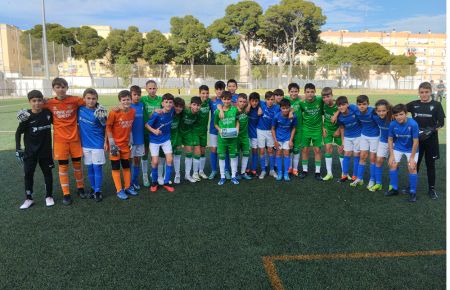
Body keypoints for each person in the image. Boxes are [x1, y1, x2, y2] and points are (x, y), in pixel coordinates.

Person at [406, 81, 445, 199]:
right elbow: (399, 111)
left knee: (430, 165)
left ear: (430, 92)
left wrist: (430, 131)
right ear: (419, 92)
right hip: (416, 140)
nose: (424, 94)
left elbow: (441, 123)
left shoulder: (437, 105)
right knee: (414, 163)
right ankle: (411, 186)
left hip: (431, 140)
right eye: (422, 92)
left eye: (426, 92)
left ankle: (431, 189)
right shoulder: (413, 104)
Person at [15, 90, 54, 209]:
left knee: (47, 174)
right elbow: (18, 133)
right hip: (30, 153)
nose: (37, 103)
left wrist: (49, 100)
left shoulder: (48, 113)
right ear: (29, 102)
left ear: (43, 101)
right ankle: (28, 198)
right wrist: (18, 148)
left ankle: (49, 196)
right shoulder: (26, 116)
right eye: (34, 101)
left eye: (39, 100)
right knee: (28, 174)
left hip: (45, 152)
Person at [106, 90, 137, 200]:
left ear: (131, 100)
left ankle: (128, 187)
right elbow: (108, 127)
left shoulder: (133, 111)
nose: (126, 101)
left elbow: (130, 127)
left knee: (126, 166)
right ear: (120, 101)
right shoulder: (114, 112)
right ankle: (119, 190)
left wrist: (130, 139)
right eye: (124, 100)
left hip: (125, 145)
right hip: (115, 145)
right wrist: (111, 143)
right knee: (115, 167)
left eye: (128, 99)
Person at [385, 104, 419, 202]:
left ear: (406, 114)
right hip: (398, 147)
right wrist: (391, 155)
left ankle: (413, 192)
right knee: (392, 164)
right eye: (396, 115)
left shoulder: (413, 124)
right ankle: (394, 189)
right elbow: (390, 139)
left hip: (411, 149)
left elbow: (416, 141)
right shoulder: (392, 124)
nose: (398, 117)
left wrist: (412, 158)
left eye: (401, 114)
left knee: (412, 167)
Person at [78, 88, 106, 202]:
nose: (91, 101)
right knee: (89, 168)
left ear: (97, 99)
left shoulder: (100, 111)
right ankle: (93, 188)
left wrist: (106, 142)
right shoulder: (79, 109)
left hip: (97, 144)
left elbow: (106, 127)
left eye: (93, 99)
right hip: (85, 144)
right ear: (84, 99)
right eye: (88, 98)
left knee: (97, 167)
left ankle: (98, 191)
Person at [145, 93, 176, 192]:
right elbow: (146, 125)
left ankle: (166, 182)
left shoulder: (172, 110)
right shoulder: (157, 114)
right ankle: (154, 182)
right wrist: (154, 131)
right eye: (166, 102)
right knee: (155, 161)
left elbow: (182, 105)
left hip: (166, 139)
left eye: (170, 102)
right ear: (162, 103)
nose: (168, 104)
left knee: (170, 160)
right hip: (154, 140)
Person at [351, 95, 380, 189]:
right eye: (359, 104)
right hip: (363, 136)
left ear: (368, 104)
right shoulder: (355, 110)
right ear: (357, 105)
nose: (362, 106)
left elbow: (385, 113)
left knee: (372, 158)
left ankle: (372, 180)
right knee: (362, 156)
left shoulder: (373, 111)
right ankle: (359, 178)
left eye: (364, 104)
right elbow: (346, 105)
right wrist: (335, 114)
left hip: (375, 137)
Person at [298, 83, 324, 181]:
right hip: (306, 129)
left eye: (312, 92)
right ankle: (305, 170)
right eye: (307, 92)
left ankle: (317, 172)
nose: (310, 94)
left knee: (317, 150)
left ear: (315, 92)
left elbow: (333, 102)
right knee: (305, 150)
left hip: (317, 129)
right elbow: (292, 105)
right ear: (304, 93)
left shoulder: (320, 100)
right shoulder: (301, 103)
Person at [215, 91, 239, 185]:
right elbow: (215, 124)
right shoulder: (217, 111)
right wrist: (220, 130)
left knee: (233, 157)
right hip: (222, 139)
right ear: (221, 99)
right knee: (222, 157)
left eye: (228, 99)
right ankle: (222, 177)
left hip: (233, 138)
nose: (226, 101)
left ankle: (233, 176)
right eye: (224, 99)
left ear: (231, 99)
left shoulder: (234, 110)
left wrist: (237, 128)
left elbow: (237, 120)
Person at [140, 80, 162, 187]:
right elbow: (130, 100)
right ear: (146, 89)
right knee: (144, 154)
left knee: (155, 156)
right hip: (145, 131)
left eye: (154, 88)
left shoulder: (161, 99)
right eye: (150, 88)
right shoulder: (143, 99)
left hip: (157, 132)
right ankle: (144, 175)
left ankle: (156, 175)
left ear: (157, 88)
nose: (152, 90)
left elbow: (172, 104)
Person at [336, 96, 362, 183]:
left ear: (347, 104)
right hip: (348, 136)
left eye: (343, 105)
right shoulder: (339, 117)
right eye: (339, 106)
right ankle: (344, 175)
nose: (341, 107)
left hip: (358, 136)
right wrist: (343, 142)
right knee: (346, 154)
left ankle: (355, 175)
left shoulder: (353, 108)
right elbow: (342, 129)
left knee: (356, 155)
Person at [369, 99, 392, 192]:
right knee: (378, 160)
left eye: (383, 110)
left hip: (395, 142)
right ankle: (378, 183)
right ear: (376, 111)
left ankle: (392, 185)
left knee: (392, 163)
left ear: (387, 110)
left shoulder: (393, 117)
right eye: (379, 111)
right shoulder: (375, 117)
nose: (381, 113)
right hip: (383, 141)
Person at [272, 98, 297, 181]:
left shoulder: (293, 116)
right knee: (278, 154)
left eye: (287, 108)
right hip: (278, 139)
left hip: (287, 138)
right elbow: (273, 129)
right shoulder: (276, 116)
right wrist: (275, 141)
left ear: (289, 108)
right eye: (283, 108)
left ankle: (286, 173)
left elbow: (294, 128)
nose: (285, 110)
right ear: (280, 108)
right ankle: (280, 172)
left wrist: (291, 140)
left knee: (286, 154)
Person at [321, 87, 344, 181]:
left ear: (332, 95)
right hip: (327, 130)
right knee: (328, 149)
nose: (326, 99)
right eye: (324, 97)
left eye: (328, 96)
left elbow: (347, 106)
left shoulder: (338, 105)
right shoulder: (322, 105)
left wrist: (338, 129)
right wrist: (323, 128)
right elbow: (319, 117)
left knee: (341, 150)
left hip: (337, 130)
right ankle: (329, 173)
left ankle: (344, 173)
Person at [257, 91, 280, 179]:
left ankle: (271, 170)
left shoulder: (277, 107)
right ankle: (263, 170)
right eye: (268, 99)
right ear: (265, 100)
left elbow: (290, 108)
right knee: (262, 151)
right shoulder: (261, 103)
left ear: (274, 100)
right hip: (261, 131)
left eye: (272, 99)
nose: (270, 101)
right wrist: (259, 107)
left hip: (271, 131)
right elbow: (251, 100)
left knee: (270, 150)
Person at [179, 96, 201, 183]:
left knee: (197, 152)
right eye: (194, 105)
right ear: (190, 105)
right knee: (174, 153)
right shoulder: (184, 110)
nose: (196, 107)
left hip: (189, 133)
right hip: (179, 132)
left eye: (198, 105)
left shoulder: (198, 113)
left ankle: (192, 174)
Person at [129, 85, 145, 190]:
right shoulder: (127, 106)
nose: (137, 97)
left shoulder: (142, 105)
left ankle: (134, 180)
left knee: (137, 160)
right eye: (134, 95)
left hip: (140, 138)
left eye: (138, 95)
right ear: (130, 95)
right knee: (129, 160)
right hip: (130, 139)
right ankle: (128, 181)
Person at [208, 81, 224, 179]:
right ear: (215, 90)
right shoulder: (211, 101)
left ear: (223, 90)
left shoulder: (227, 100)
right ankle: (214, 170)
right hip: (213, 129)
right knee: (213, 149)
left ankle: (226, 170)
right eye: (217, 89)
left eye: (221, 89)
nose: (219, 91)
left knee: (224, 150)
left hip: (224, 129)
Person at [285, 83, 302, 175]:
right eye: (292, 91)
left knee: (296, 149)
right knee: (289, 149)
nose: (294, 93)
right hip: (288, 129)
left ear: (298, 92)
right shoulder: (286, 100)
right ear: (288, 92)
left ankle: (295, 169)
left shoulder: (301, 101)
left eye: (296, 91)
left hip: (298, 128)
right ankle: (289, 168)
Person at [194, 85, 211, 179]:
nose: (205, 95)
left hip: (204, 131)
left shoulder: (209, 102)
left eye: (207, 93)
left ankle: (201, 171)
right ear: (199, 93)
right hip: (195, 131)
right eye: (203, 93)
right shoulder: (196, 103)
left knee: (203, 152)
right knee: (197, 152)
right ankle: (195, 173)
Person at [236, 93, 252, 180]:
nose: (242, 103)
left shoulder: (247, 109)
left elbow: (257, 101)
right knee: (235, 154)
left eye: (244, 102)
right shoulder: (234, 110)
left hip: (245, 136)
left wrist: (249, 104)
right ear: (237, 102)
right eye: (240, 101)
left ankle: (243, 172)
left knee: (246, 153)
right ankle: (235, 172)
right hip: (236, 136)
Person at [171, 97, 185, 184]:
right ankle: (163, 175)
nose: (178, 108)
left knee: (177, 156)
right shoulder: (168, 113)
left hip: (177, 137)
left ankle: (177, 175)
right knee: (166, 157)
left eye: (181, 106)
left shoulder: (181, 113)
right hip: (167, 138)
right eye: (176, 106)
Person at [247, 92, 261, 176]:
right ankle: (247, 168)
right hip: (247, 134)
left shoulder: (260, 108)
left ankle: (254, 169)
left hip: (256, 135)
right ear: (249, 101)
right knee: (247, 152)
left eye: (256, 101)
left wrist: (260, 107)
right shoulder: (246, 107)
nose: (254, 103)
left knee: (255, 151)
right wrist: (248, 106)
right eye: (252, 101)